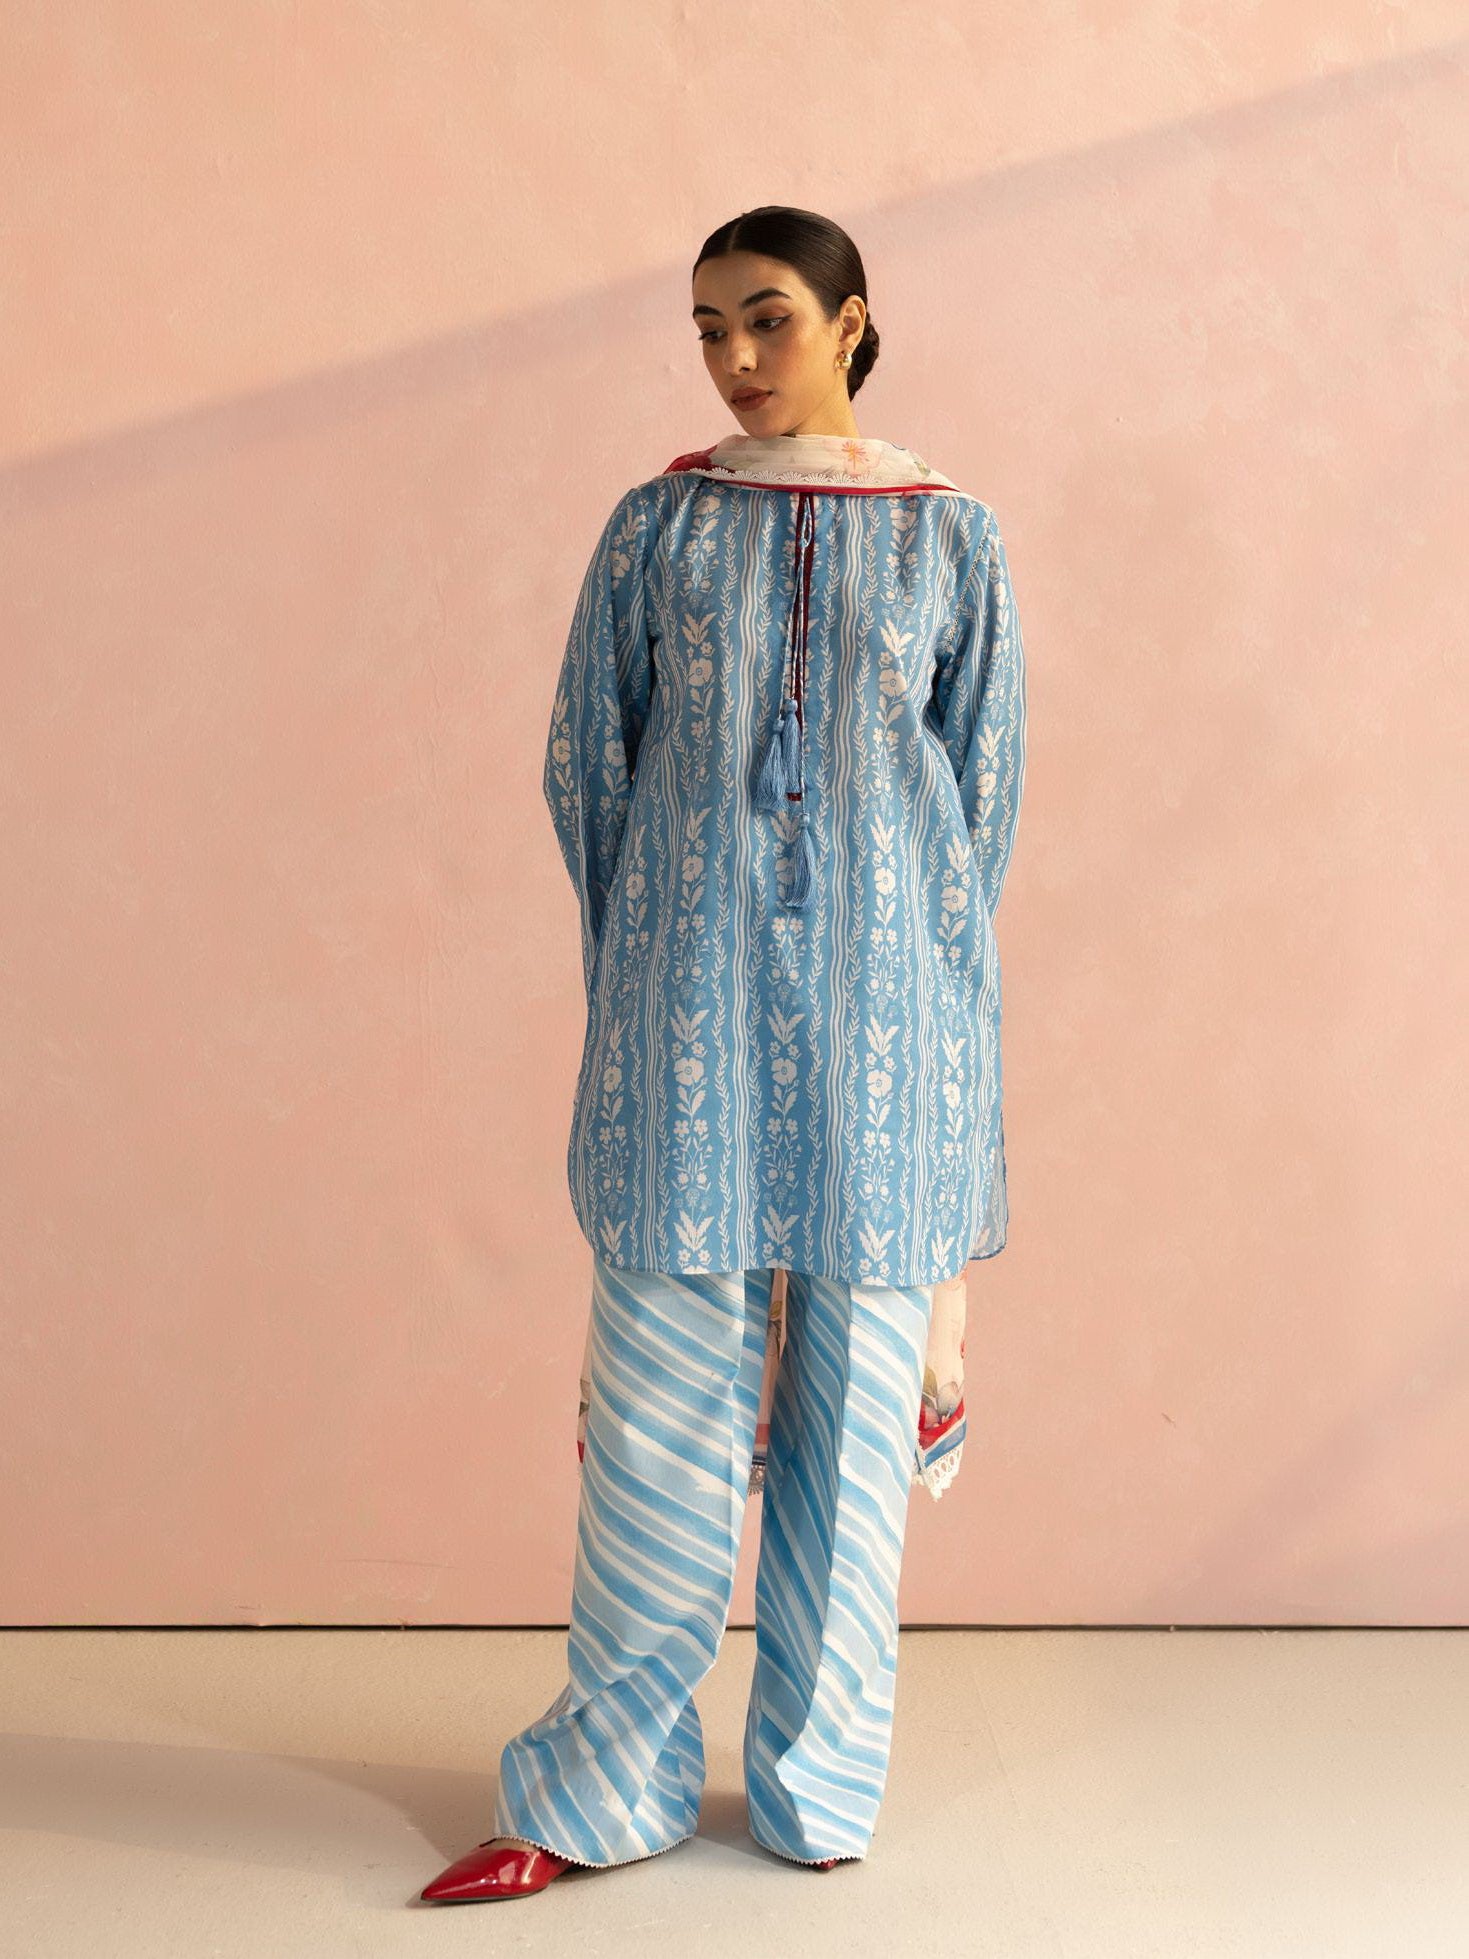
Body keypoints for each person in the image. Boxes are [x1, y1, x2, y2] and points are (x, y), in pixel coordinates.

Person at [420, 204, 1027, 1906]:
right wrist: (670, 945)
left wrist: (890, 962)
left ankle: (816, 1791)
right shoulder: (660, 527)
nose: (736, 359)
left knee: (852, 1432)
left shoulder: (949, 536)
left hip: (886, 1040)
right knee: (658, 1439)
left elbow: (977, 800)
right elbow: (586, 766)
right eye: (707, 329)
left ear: (851, 322)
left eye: (767, 319)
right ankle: (598, 1790)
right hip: (680, 1036)